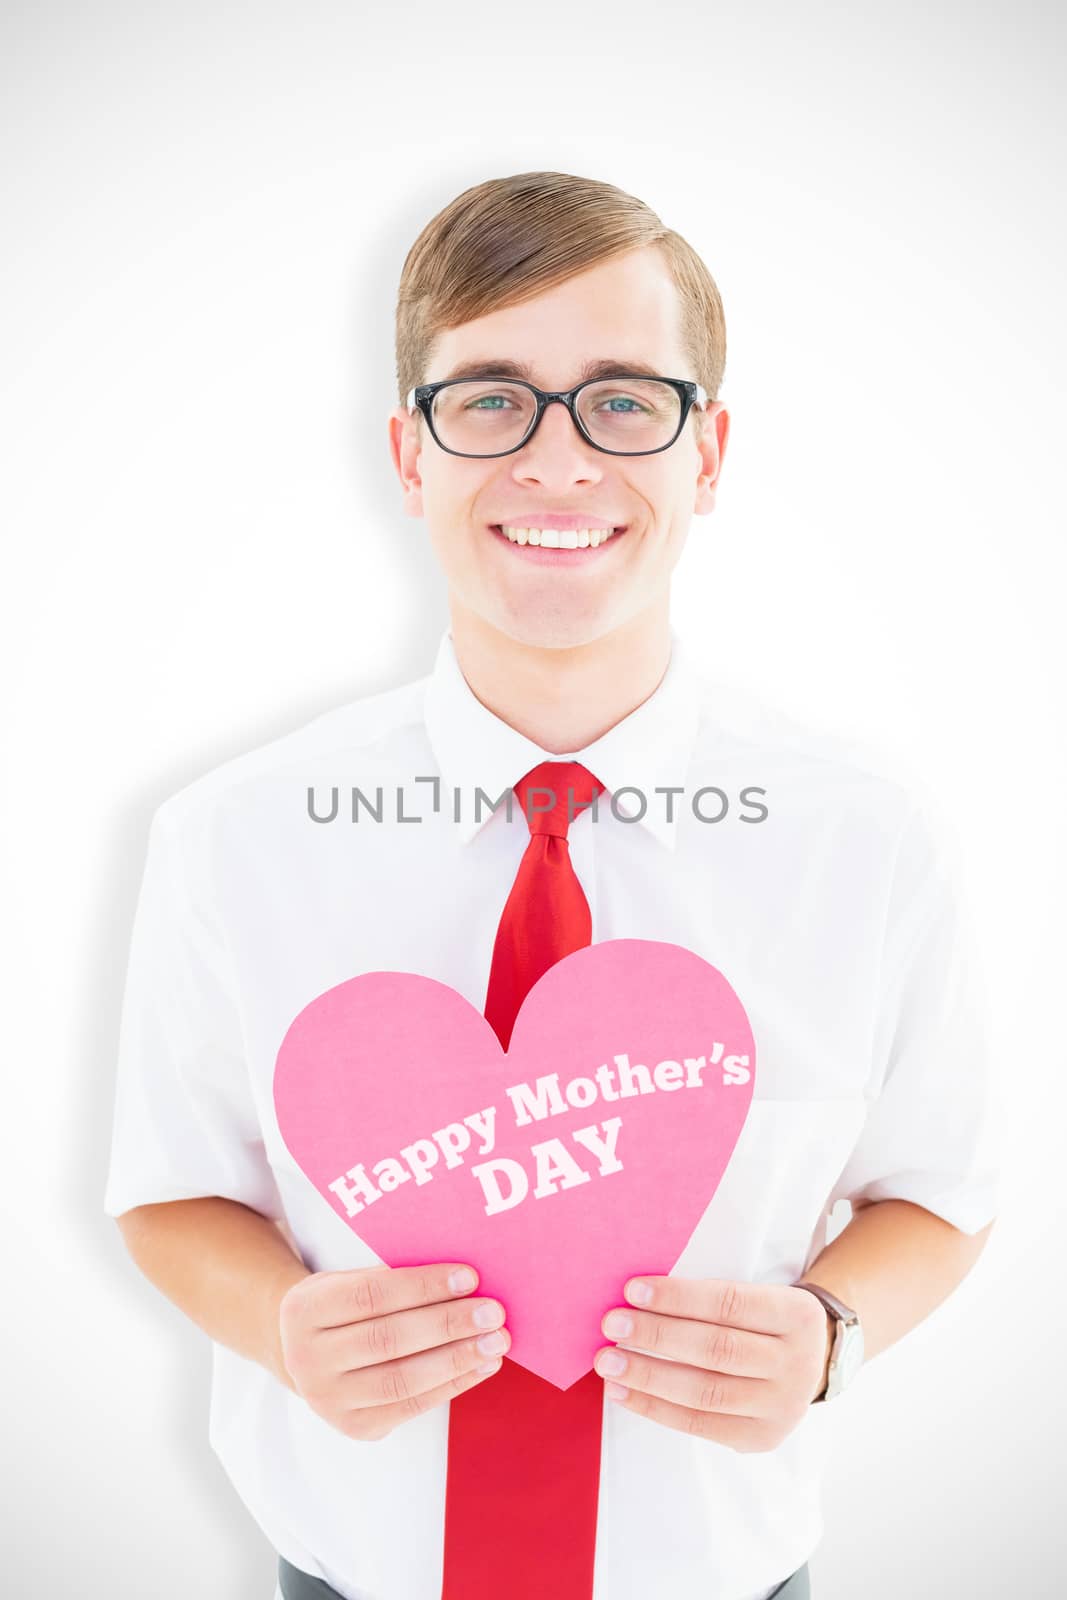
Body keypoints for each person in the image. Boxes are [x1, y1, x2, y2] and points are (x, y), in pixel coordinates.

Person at [104, 170, 999, 1600]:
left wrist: (834, 1331)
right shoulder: (232, 838)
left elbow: (939, 1193)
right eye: (491, 400)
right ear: (410, 456)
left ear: (708, 458)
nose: (559, 462)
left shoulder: (871, 842)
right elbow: (169, 1193)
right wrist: (284, 1324)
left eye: (626, 401)